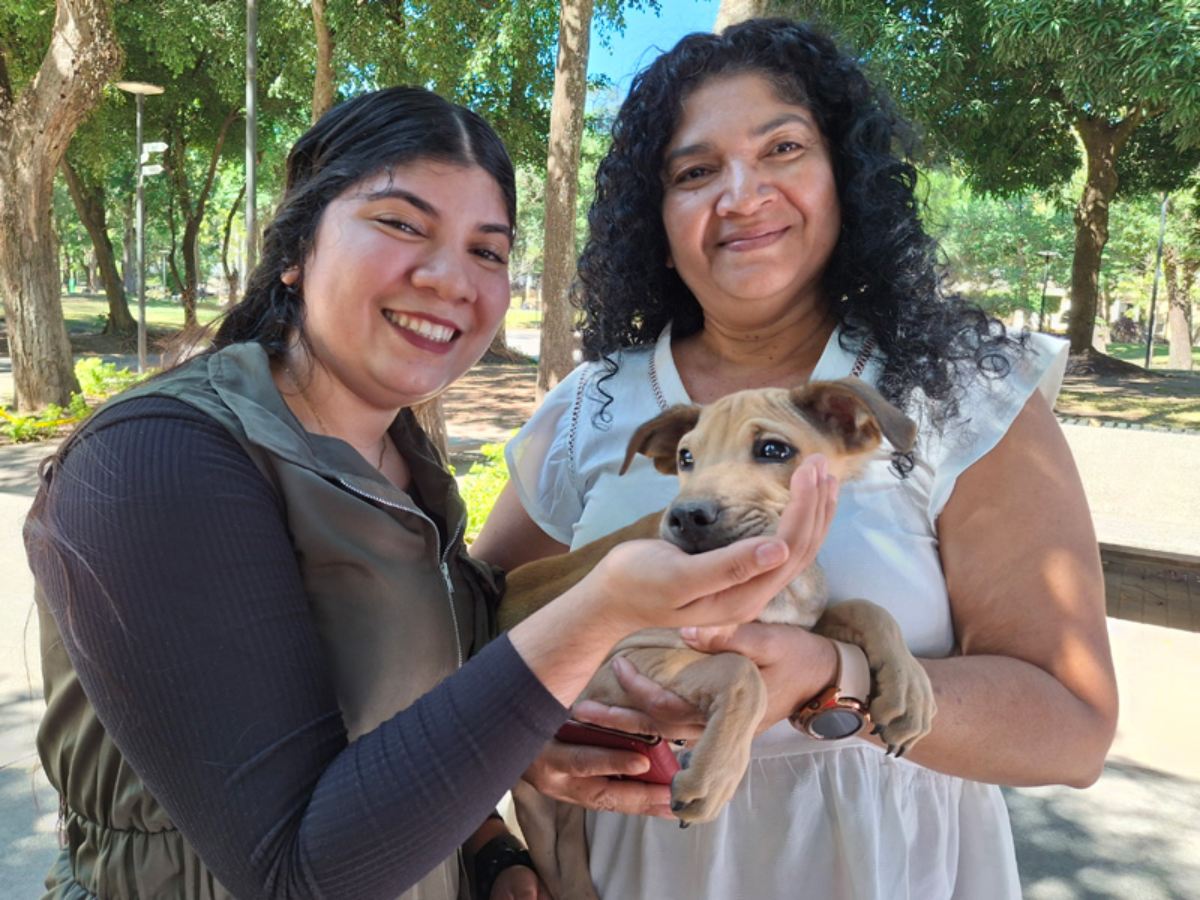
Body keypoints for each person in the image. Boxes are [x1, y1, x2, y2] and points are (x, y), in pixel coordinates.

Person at [23, 86, 835, 900]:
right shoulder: (156, 461)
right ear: (296, 249)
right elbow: (294, 874)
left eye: (487, 251)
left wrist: (492, 851)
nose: (450, 278)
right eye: (403, 225)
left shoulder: (411, 475)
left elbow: (401, 735)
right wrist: (602, 612)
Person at [472, 19, 1118, 900]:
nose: (741, 194)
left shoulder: (957, 393)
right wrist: (519, 751)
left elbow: (1073, 728)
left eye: (783, 147)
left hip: (885, 870)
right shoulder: (595, 406)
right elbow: (472, 638)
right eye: (695, 172)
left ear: (845, 178)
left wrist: (833, 679)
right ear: (654, 218)